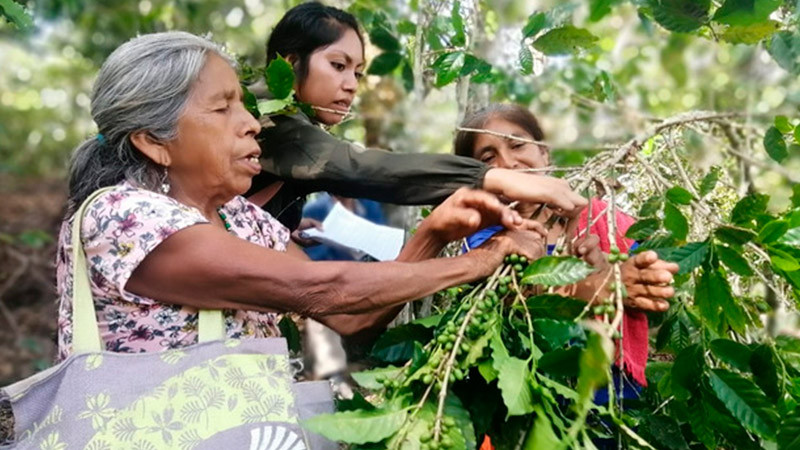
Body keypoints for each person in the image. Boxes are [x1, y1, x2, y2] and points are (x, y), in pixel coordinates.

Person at [56, 32, 546, 361]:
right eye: (223, 108)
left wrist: (435, 233)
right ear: (152, 140)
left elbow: (349, 314)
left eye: (244, 106)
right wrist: (481, 260)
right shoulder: (123, 216)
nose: (250, 123)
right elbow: (322, 288)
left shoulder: (243, 219)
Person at [248, 1, 588, 231]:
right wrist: (495, 178)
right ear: (291, 63)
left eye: (358, 73)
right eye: (338, 66)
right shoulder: (265, 113)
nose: (351, 86)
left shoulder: (289, 120)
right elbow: (359, 166)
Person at [453, 104, 680, 387]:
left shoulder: (604, 219)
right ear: (476, 177)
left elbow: (655, 307)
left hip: (615, 390)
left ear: (544, 152)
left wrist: (616, 270)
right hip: (534, 390)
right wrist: (602, 285)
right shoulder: (481, 233)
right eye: (489, 157)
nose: (508, 162)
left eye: (518, 145)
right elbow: (515, 293)